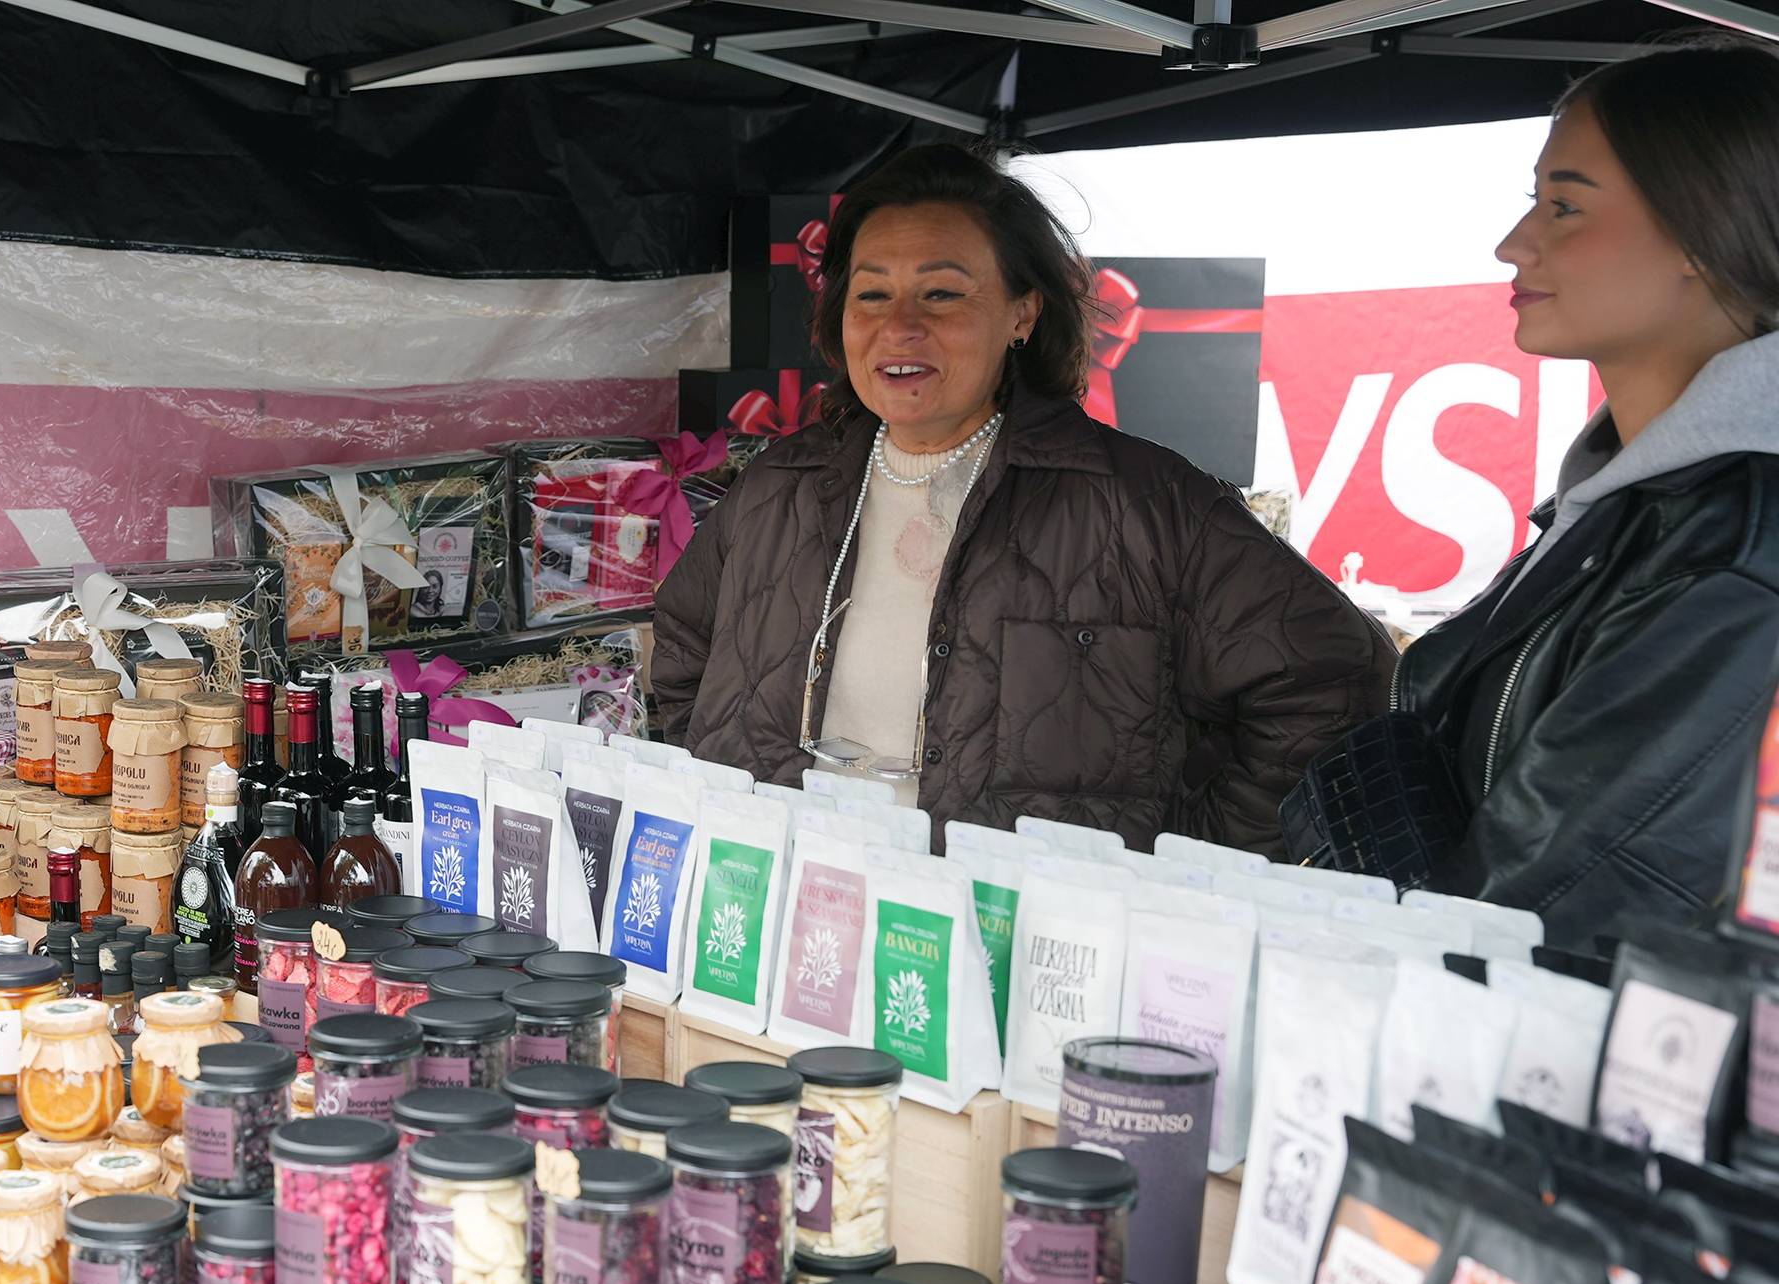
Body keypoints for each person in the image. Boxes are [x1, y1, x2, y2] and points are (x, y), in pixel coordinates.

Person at [653, 144, 1394, 853]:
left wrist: (1189, 855)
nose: (899, 325)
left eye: (942, 293)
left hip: (1012, 929)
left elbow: (1332, 679)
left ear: (1022, 314)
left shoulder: (1143, 504)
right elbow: (684, 652)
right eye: (871, 293)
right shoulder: (777, 487)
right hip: (786, 912)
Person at [1361, 38, 1779, 940]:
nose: (1514, 244)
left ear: (1703, 234)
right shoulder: (1635, 508)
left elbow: (1546, 900)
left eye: (1565, 206)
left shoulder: (1734, 548)